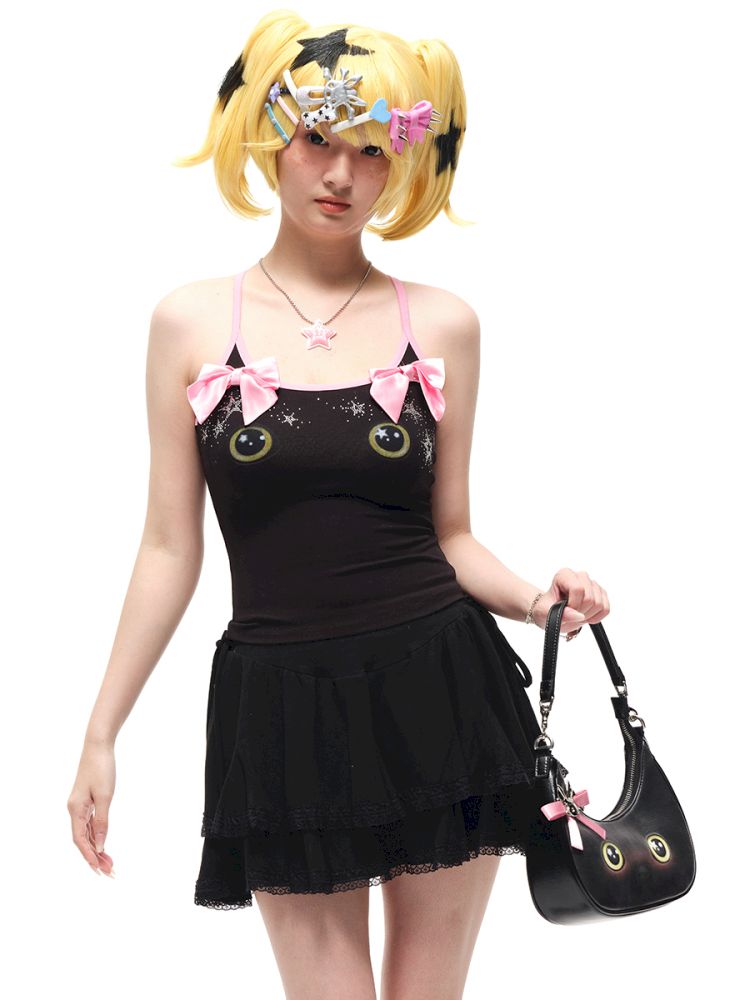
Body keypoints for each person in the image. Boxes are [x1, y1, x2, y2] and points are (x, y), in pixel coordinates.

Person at [67, 10, 610, 999]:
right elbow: (168, 546)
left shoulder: (442, 323)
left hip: (441, 688)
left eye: (371, 151)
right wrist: (103, 729)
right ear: (270, 136)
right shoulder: (190, 321)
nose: (341, 175)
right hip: (281, 704)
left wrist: (543, 603)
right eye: (319, 138)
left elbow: (451, 536)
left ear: (402, 163)